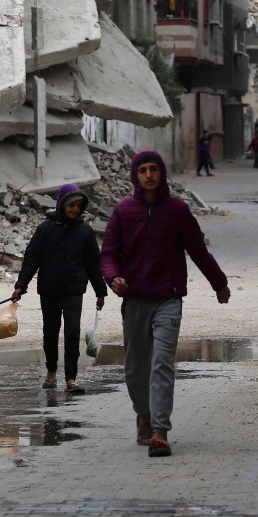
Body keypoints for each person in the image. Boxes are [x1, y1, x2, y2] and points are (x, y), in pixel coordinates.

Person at [100, 151, 231, 458]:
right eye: (143, 170)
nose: (148, 175)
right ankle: (143, 416)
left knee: (162, 364)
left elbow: (199, 251)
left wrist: (219, 283)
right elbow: (107, 253)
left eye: (154, 169)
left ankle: (160, 431)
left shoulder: (177, 211)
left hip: (168, 299)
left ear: (162, 173)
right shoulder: (123, 211)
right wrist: (113, 277)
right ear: (135, 175)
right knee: (135, 368)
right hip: (134, 301)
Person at [11, 184, 107, 393]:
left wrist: (101, 291)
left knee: (72, 332)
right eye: (71, 205)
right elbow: (32, 259)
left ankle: (71, 379)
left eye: (78, 206)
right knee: (50, 332)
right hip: (49, 290)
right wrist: (21, 285)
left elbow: (93, 264)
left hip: (74, 291)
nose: (74, 209)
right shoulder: (46, 229)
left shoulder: (85, 231)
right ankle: (51, 373)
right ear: (62, 204)